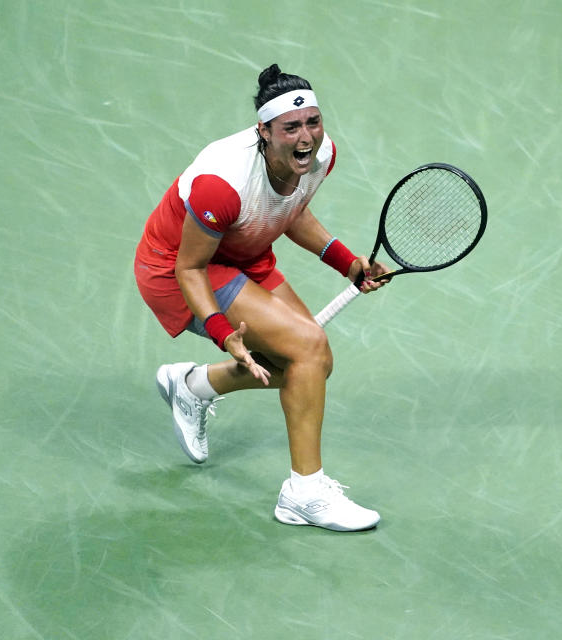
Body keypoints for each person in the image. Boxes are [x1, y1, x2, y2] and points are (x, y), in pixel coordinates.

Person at [134, 64, 389, 532]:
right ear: (264, 132)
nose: (306, 136)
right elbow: (189, 267)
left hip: (242, 251)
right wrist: (221, 332)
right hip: (178, 267)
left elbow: (288, 211)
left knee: (311, 363)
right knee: (306, 348)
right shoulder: (222, 183)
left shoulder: (319, 157)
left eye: (312, 122)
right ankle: (304, 493)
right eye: (290, 127)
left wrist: (348, 262)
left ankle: (193, 388)